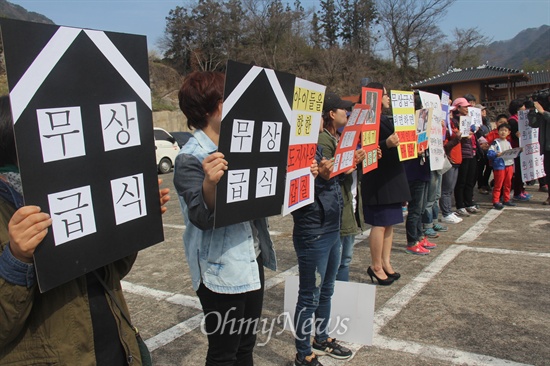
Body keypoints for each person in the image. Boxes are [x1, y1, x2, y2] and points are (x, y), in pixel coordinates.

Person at [0, 95, 171, 365]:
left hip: (117, 350)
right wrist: (16, 258)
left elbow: (114, 273)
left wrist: (134, 219)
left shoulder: (76, 192)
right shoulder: (10, 210)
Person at [173, 71, 278, 366]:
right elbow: (200, 216)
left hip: (250, 257)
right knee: (223, 353)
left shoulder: (242, 144)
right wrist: (209, 184)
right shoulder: (190, 157)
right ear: (212, 108)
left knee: (246, 346)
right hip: (220, 269)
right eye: (228, 99)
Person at [291, 93, 353, 366]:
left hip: (331, 226)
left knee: (327, 288)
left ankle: (321, 337)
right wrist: (316, 174)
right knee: (309, 294)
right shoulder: (294, 147)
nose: (317, 119)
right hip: (312, 229)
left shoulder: (316, 147)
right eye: (313, 114)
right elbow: (293, 189)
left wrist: (336, 167)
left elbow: (331, 178)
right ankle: (303, 353)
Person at [361, 83, 411, 283]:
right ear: (375, 96)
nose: (388, 98)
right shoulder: (367, 119)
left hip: (392, 176)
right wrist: (385, 144)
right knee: (380, 223)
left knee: (390, 222)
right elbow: (366, 148)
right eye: (385, 94)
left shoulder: (385, 118)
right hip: (378, 179)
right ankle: (376, 265)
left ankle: (386, 262)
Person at [317, 92, 366, 282]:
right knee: (337, 260)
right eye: (342, 109)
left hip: (348, 201)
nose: (347, 112)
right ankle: (332, 300)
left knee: (345, 258)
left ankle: (336, 300)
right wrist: (346, 166)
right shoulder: (324, 140)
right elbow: (325, 176)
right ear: (331, 114)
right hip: (338, 206)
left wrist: (360, 160)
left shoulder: (340, 137)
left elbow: (347, 168)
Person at [453, 97, 480, 217]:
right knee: (461, 181)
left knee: (470, 179)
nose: (467, 108)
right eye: (465, 106)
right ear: (458, 108)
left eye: (468, 106)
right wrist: (464, 137)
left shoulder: (470, 120)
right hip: (462, 153)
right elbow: (457, 138)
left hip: (472, 152)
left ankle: (469, 202)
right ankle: (460, 205)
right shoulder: (454, 121)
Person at [439, 99, 463, 224]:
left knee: (450, 188)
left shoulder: (452, 125)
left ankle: (448, 211)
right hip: (449, 160)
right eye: (450, 113)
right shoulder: (444, 128)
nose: (452, 115)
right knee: (446, 188)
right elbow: (445, 146)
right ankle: (446, 213)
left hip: (456, 160)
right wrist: (457, 139)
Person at [487, 123, 516, 209]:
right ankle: (496, 200)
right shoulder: (495, 142)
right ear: (498, 132)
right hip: (500, 165)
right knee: (498, 184)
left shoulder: (508, 143)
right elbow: (489, 153)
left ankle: (506, 199)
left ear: (509, 132)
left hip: (509, 165)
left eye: (505, 130)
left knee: (508, 183)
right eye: (501, 130)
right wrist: (496, 154)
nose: (503, 132)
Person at [508, 99, 531, 201]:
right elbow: (512, 135)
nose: (524, 108)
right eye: (522, 106)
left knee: (523, 170)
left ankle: (522, 190)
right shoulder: (512, 120)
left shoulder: (521, 119)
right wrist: (517, 135)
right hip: (516, 149)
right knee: (518, 171)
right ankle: (517, 192)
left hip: (523, 148)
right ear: (517, 108)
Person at [528, 100, 550, 205]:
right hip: (546, 148)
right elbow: (533, 124)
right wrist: (532, 111)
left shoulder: (544, 113)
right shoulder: (543, 112)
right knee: (548, 173)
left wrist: (543, 112)